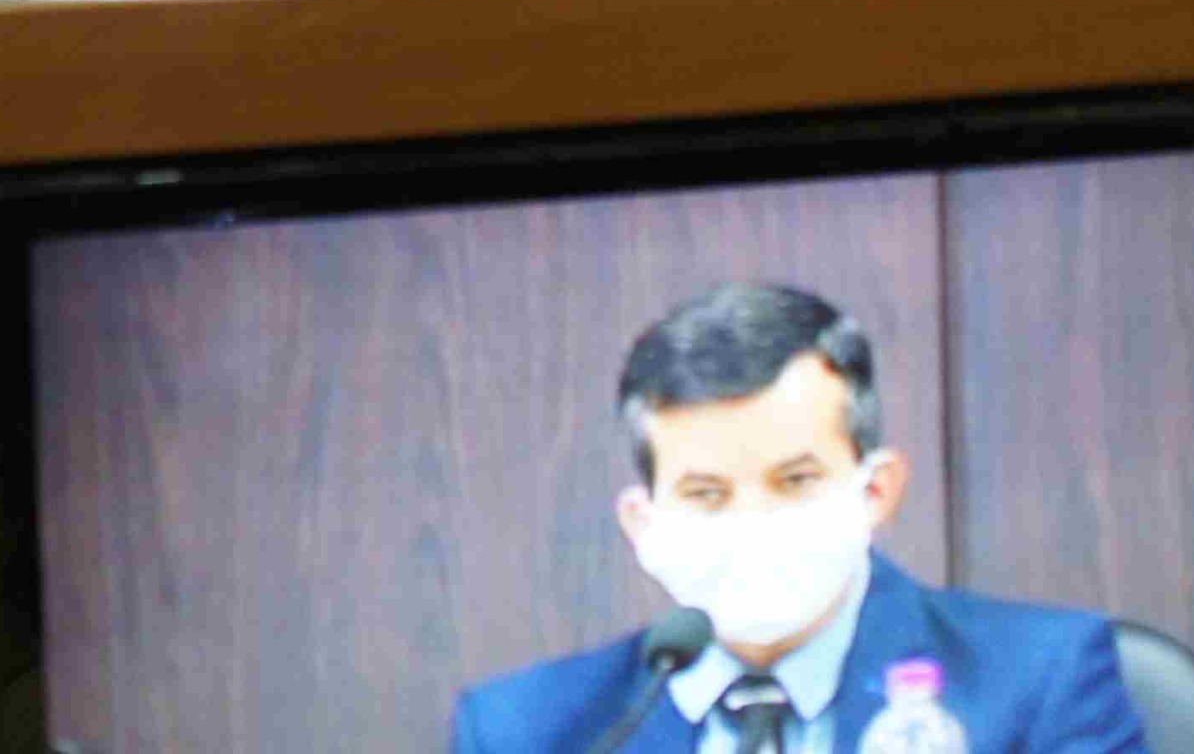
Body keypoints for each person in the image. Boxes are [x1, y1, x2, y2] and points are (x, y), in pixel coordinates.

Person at [452, 283, 1148, 754]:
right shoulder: (526, 731)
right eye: (706, 494)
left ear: (876, 491)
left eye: (796, 481)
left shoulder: (1040, 682)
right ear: (642, 525)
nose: (754, 524)